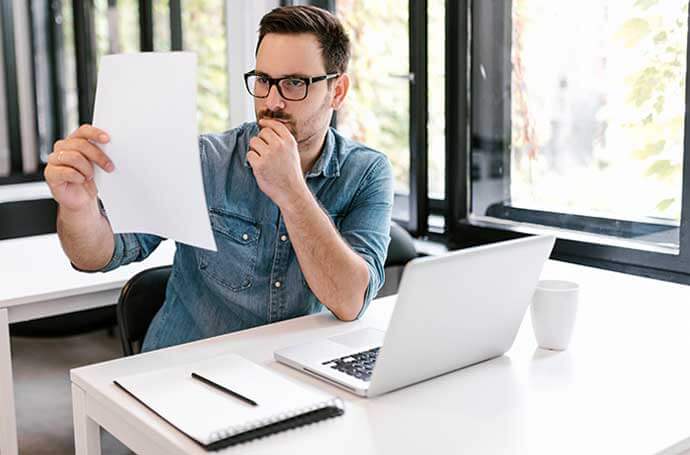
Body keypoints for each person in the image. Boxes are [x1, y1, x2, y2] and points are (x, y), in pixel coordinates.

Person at [44, 5, 393, 351]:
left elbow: (350, 302)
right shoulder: (204, 160)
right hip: (185, 371)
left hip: (294, 373)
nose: (272, 101)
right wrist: (78, 208)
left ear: (338, 91)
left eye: (294, 83)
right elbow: (100, 255)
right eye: (263, 80)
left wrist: (291, 191)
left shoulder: (366, 173)